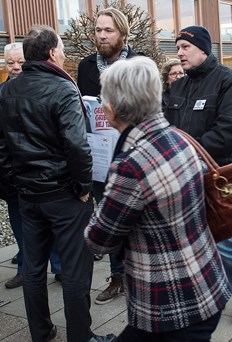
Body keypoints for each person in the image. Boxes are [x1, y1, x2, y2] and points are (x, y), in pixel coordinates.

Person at [85, 56, 231, 341]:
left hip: (171, 305)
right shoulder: (180, 138)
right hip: (208, 283)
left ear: (112, 109)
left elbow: (99, 239)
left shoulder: (131, 165)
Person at [0, 25, 115, 342]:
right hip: (63, 195)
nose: (64, 52)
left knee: (33, 268)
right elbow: (78, 147)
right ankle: (81, 336)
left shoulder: (7, 90)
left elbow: (2, 148)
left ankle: (41, 332)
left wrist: (14, 185)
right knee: (76, 269)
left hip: (29, 195)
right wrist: (82, 188)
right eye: (62, 47)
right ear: (52, 53)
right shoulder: (64, 89)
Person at [164, 25, 232, 324]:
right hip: (180, 173)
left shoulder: (229, 82)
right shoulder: (177, 86)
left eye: (185, 47)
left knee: (223, 239)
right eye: (177, 48)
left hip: (214, 175)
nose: (179, 53)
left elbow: (230, 131)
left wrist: (187, 152)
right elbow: (166, 127)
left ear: (203, 49)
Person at [77, 7, 136, 305]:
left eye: (108, 30)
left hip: (133, 158)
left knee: (136, 219)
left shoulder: (140, 65)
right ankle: (117, 276)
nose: (101, 35)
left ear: (123, 34)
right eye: (98, 30)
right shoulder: (86, 67)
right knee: (110, 219)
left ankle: (140, 275)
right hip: (100, 159)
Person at [1, 42, 63, 289]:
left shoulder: (47, 88)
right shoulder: (2, 93)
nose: (16, 67)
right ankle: (25, 268)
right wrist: (9, 176)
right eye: (10, 63)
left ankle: (59, 267)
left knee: (53, 224)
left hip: (46, 178)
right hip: (14, 178)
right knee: (20, 226)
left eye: (20, 62)